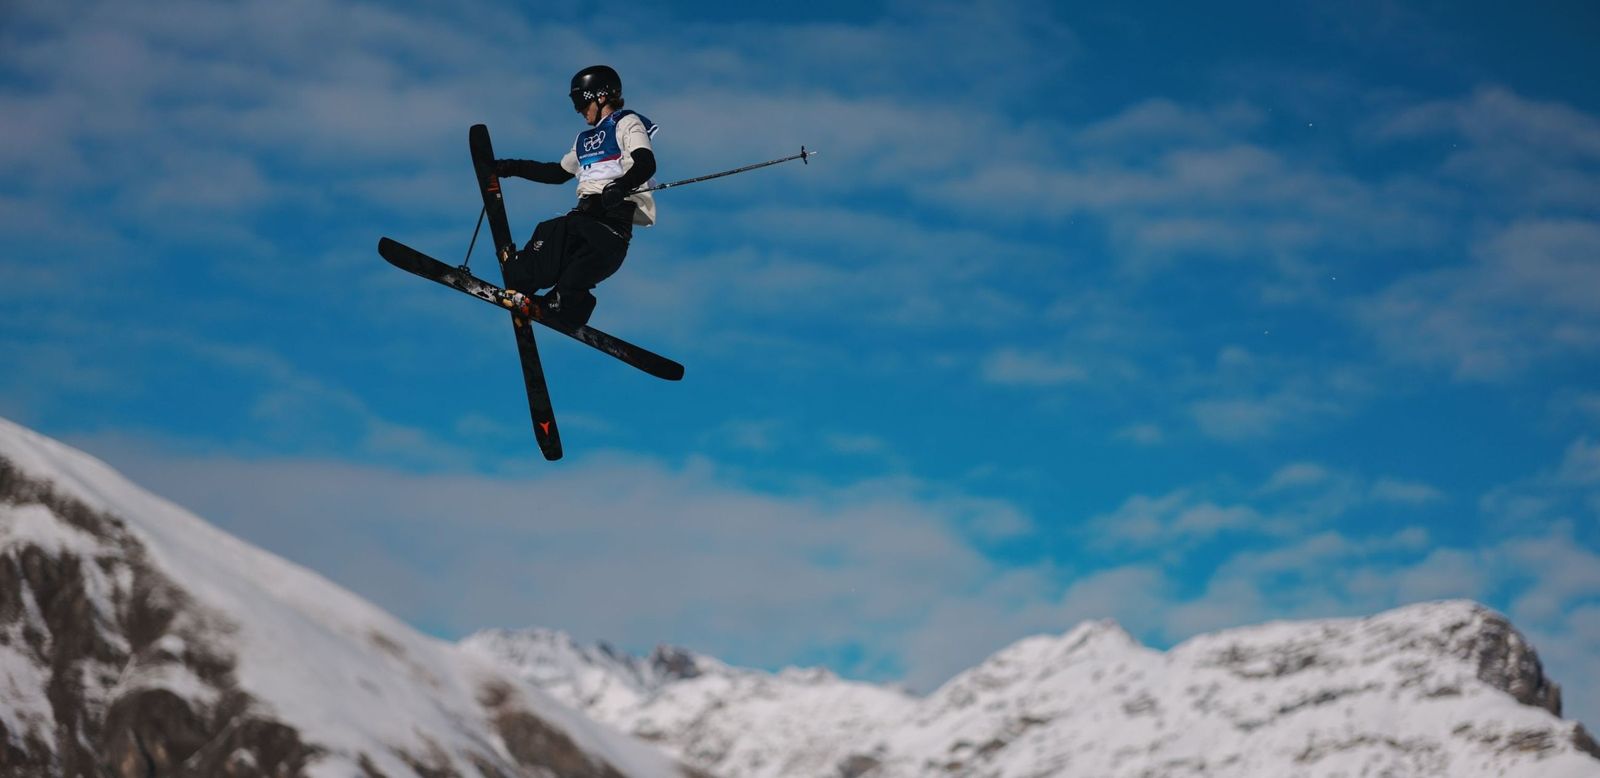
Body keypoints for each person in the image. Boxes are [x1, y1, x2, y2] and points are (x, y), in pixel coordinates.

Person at [494, 64, 658, 327]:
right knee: (556, 247)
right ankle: (530, 287)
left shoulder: (627, 122)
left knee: (563, 255)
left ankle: (556, 302)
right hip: (585, 218)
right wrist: (511, 167)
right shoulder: (584, 139)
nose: (579, 110)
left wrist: (620, 186)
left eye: (582, 102)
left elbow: (645, 163)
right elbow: (557, 173)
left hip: (611, 228)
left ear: (601, 96)